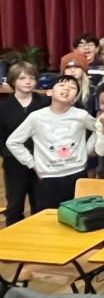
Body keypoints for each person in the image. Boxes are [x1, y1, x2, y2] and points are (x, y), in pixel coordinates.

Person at [6, 75, 96, 210]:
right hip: (48, 177)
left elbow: (99, 129)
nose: (66, 89)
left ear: (75, 98)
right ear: (49, 92)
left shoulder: (81, 115)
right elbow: (13, 142)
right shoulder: (36, 117)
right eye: (61, 85)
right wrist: (31, 163)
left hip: (77, 174)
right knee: (48, 217)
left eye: (72, 88)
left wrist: (86, 150)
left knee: (77, 215)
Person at [0, 63, 48, 225]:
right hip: (14, 163)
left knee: (40, 204)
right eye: (22, 78)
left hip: (41, 161)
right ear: (13, 81)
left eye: (31, 78)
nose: (28, 82)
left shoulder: (44, 102)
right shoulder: (3, 106)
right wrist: (6, 154)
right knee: (14, 205)